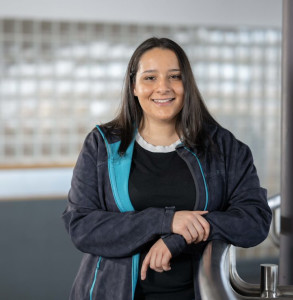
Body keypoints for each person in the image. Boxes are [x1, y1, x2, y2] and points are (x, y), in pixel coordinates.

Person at [62, 37, 272, 300]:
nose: (163, 88)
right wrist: (166, 220)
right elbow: (82, 226)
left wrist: (180, 237)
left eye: (175, 76)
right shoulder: (102, 144)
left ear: (187, 85)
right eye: (150, 78)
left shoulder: (224, 148)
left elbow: (255, 220)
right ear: (134, 86)